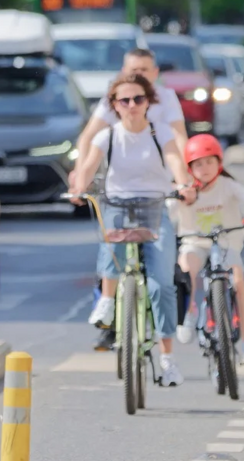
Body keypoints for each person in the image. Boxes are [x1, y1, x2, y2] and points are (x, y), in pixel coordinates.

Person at [69, 73, 197, 385]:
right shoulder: (108, 136)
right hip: (118, 206)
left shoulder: (160, 132)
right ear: (114, 105)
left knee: (161, 284)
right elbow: (86, 170)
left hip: (155, 209)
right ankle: (107, 302)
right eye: (124, 100)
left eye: (138, 99)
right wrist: (77, 190)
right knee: (110, 237)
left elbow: (176, 163)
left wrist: (184, 185)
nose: (131, 105)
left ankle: (167, 360)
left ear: (148, 102)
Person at [174, 134, 244, 365]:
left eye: (210, 161)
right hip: (195, 243)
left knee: (239, 283)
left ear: (219, 162)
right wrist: (179, 197)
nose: (205, 168)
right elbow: (167, 209)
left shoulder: (228, 185)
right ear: (189, 168)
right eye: (198, 163)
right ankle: (188, 315)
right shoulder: (185, 190)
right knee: (185, 271)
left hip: (226, 241)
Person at [71, 48, 189, 172]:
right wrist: (79, 173)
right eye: (134, 70)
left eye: (144, 69)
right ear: (124, 71)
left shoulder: (167, 97)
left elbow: (179, 137)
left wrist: (186, 174)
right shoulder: (114, 97)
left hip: (160, 177)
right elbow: (88, 137)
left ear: (155, 72)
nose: (138, 74)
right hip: (120, 180)